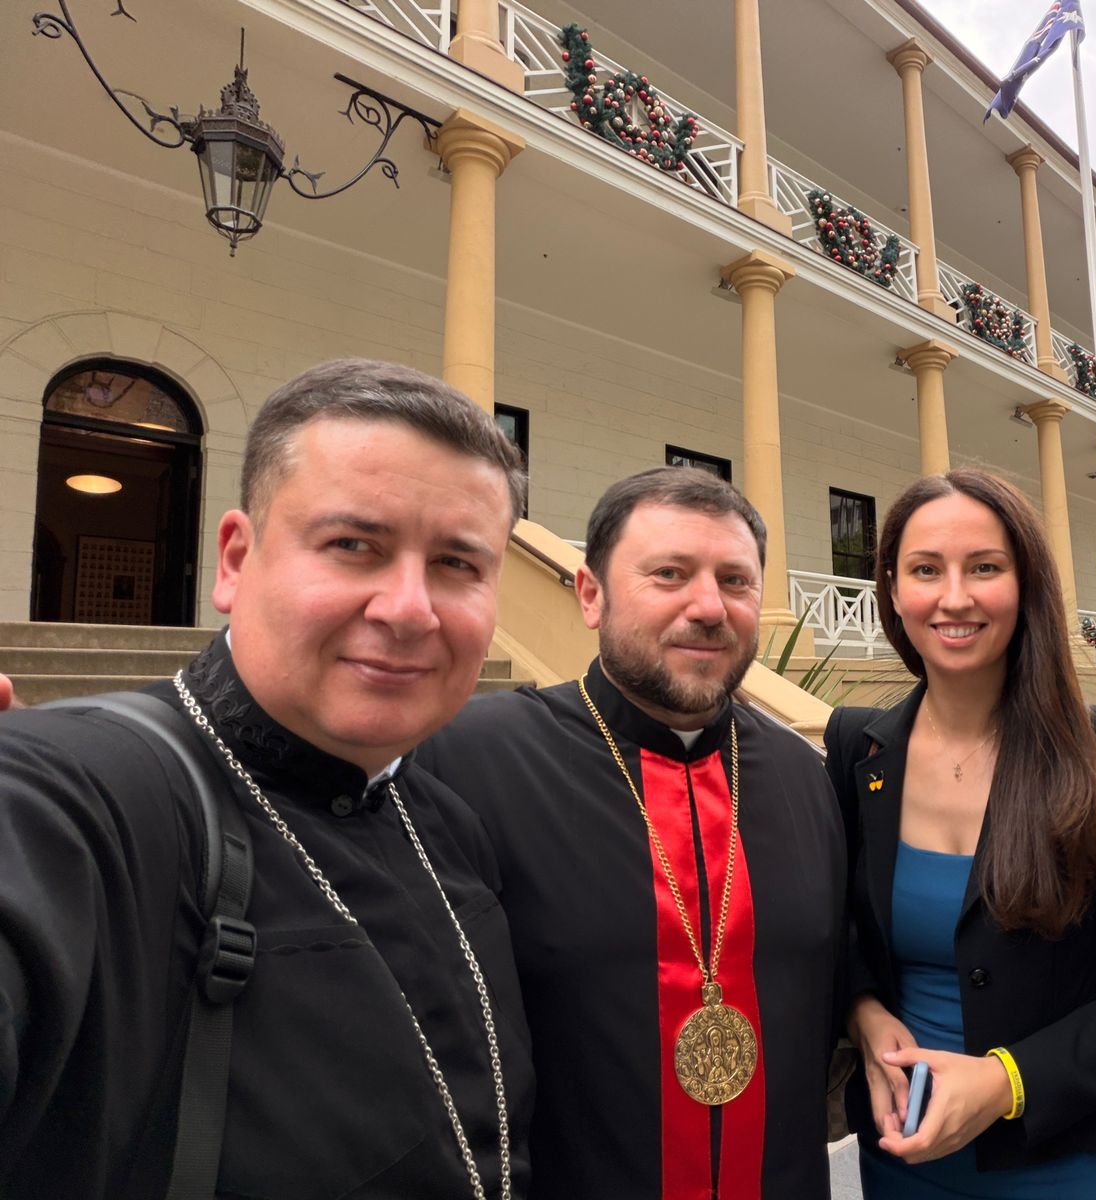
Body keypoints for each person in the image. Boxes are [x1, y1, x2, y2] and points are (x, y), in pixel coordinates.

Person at [0, 360, 536, 1198]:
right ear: (236, 559)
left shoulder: (451, 824)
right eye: (353, 545)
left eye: (457, 564)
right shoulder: (76, 795)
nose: (408, 608)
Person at [414, 466, 846, 1199]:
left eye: (735, 581)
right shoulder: (467, 760)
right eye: (669, 574)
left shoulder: (804, 776)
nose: (708, 607)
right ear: (591, 594)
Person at [825, 469, 1096, 1198]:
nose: (955, 597)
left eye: (985, 568)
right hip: (901, 1165)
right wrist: (864, 1012)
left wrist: (1007, 1082)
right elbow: (836, 930)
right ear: (893, 591)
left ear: (1025, 585)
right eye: (925, 570)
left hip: (1063, 1170)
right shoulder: (856, 748)